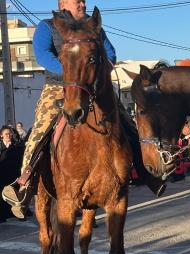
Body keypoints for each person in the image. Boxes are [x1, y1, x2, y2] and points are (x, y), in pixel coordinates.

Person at [2, 0, 166, 219]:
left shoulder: (93, 26)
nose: (82, 3)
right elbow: (43, 55)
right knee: (40, 129)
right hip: (58, 87)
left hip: (92, 87)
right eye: (77, 0)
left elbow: (110, 53)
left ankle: (148, 174)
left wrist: (96, 70)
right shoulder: (47, 25)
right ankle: (24, 185)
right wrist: (72, 70)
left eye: (83, 1)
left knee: (126, 121)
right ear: (63, 3)